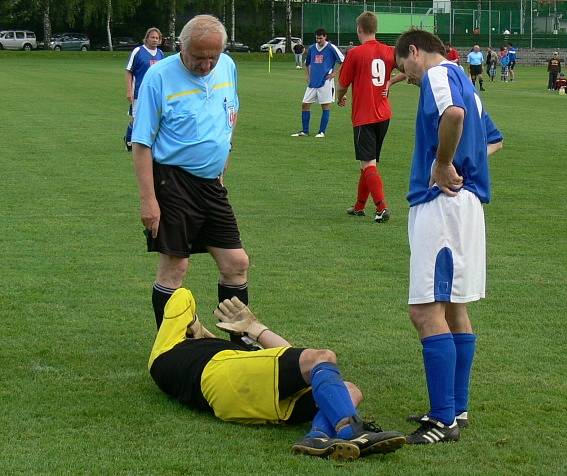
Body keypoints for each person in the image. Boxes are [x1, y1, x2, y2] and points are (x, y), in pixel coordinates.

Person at [394, 28, 503, 445]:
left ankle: (443, 420)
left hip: (442, 204)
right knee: (454, 306)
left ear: (415, 52)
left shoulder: (440, 76)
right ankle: (456, 406)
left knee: (424, 310)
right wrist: (467, 159)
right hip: (466, 205)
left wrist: (443, 162)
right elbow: (493, 139)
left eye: (407, 67)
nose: (410, 76)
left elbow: (453, 116)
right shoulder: (467, 83)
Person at [148, 288, 406, 460]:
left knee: (350, 390)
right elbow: (181, 294)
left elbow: (293, 361)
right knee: (322, 357)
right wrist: (255, 329)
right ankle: (351, 432)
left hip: (235, 402)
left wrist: (248, 329)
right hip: (224, 376)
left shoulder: (189, 358)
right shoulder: (166, 349)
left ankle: (317, 438)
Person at [131, 15, 250, 331]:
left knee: (236, 264)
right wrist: (148, 201)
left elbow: (231, 112)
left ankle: (238, 345)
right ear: (180, 46)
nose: (207, 65)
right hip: (173, 182)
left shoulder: (227, 66)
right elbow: (141, 143)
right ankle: (170, 348)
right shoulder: (158, 78)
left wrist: (223, 161)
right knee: (175, 267)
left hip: (212, 184)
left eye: (213, 56)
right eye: (199, 57)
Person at [336, 11, 405, 223]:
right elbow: (410, 69)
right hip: (384, 114)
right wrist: (391, 82)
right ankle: (358, 207)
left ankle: (382, 208)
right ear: (375, 28)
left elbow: (341, 84)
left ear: (359, 29)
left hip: (364, 115)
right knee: (368, 163)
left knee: (368, 164)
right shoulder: (389, 51)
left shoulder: (355, 54)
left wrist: (341, 97)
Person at [291, 28, 345, 138]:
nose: (318, 40)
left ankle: (321, 132)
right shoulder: (311, 48)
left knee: (325, 106)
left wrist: (334, 73)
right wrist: (307, 76)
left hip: (325, 82)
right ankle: (305, 131)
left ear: (325, 37)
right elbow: (307, 63)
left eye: (320, 38)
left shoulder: (331, 47)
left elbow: (343, 61)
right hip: (313, 82)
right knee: (305, 105)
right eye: (317, 38)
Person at [124, 27, 164, 152]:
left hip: (155, 93)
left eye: (157, 38)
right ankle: (129, 140)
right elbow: (129, 71)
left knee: (155, 118)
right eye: (152, 37)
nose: (155, 40)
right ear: (146, 38)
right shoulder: (138, 51)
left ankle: (150, 143)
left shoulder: (160, 54)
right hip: (139, 92)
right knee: (137, 118)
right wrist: (129, 90)